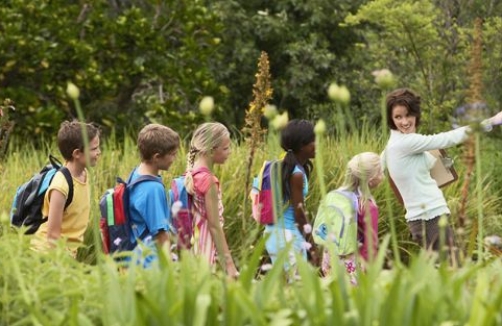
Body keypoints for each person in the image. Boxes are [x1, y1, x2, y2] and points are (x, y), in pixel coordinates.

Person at [383, 88, 502, 263]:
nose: (404, 121)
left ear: (415, 114)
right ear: (391, 120)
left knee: (448, 272)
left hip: (430, 216)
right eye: (398, 117)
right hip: (428, 218)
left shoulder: (395, 144)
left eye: (408, 115)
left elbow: (383, 167)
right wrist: (491, 121)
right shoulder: (405, 143)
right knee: (453, 271)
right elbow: (449, 138)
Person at [31, 120, 101, 257]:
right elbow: (52, 236)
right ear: (77, 154)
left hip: (66, 253)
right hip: (48, 254)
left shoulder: (84, 174)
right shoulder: (60, 186)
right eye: (94, 149)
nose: (99, 152)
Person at [184, 122, 239, 278]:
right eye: (226, 148)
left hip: (191, 246)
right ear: (211, 150)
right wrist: (229, 266)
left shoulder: (190, 175)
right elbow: (214, 227)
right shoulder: (209, 182)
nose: (229, 152)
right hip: (205, 249)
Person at [320, 152, 384, 282]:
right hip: (354, 266)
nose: (383, 176)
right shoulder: (368, 208)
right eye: (380, 173)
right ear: (370, 180)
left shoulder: (336, 198)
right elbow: (370, 245)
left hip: (331, 259)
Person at [264, 119, 318, 273]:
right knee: (297, 288)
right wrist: (312, 247)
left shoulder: (282, 166)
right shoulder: (296, 174)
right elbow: (299, 215)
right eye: (314, 141)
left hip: (272, 233)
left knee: (285, 287)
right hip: (288, 236)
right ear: (302, 145)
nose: (317, 144)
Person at [128, 123, 180, 267]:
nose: (174, 158)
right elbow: (161, 235)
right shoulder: (153, 188)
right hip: (149, 263)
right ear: (157, 157)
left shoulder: (136, 173)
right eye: (172, 154)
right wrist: (170, 271)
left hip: (135, 256)